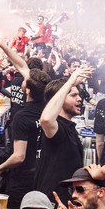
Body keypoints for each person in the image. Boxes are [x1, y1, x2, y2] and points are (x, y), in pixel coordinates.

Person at [0, 69, 49, 209]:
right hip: (42, 174)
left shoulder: (22, 116)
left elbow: (19, 157)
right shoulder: (47, 110)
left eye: (26, 79)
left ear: (28, 90)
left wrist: (1, 168)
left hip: (22, 178)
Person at [33, 66, 88, 198]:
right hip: (53, 203)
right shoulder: (58, 127)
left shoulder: (68, 127)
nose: (79, 99)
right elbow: (45, 119)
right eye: (73, 95)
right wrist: (70, 81)